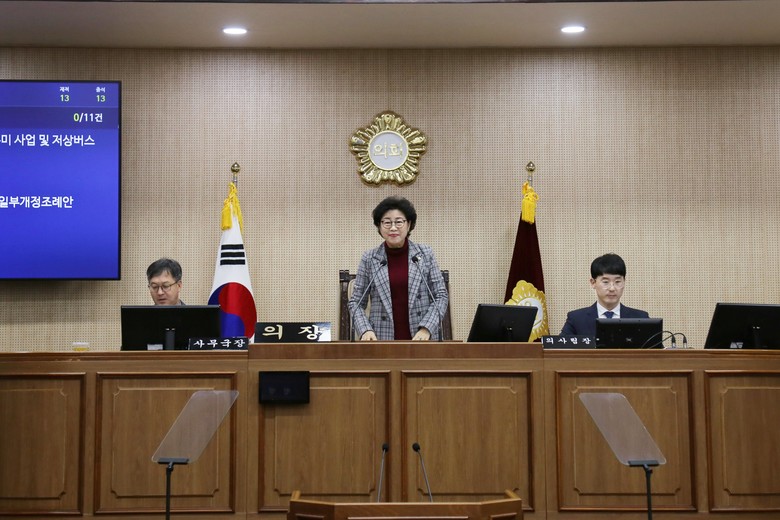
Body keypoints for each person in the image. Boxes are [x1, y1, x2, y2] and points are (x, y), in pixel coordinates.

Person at [348, 196, 448, 341]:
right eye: (387, 222)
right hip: (381, 339)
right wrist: (365, 330)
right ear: (379, 226)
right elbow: (356, 302)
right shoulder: (370, 258)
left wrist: (427, 328)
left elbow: (440, 296)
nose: (393, 228)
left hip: (422, 338)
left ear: (409, 224)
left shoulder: (425, 254)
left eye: (399, 222)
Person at [560, 253, 648, 336]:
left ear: (624, 282)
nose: (612, 288)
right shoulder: (576, 319)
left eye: (617, 281)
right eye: (605, 282)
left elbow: (654, 347)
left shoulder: (641, 319)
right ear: (593, 283)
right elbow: (560, 346)